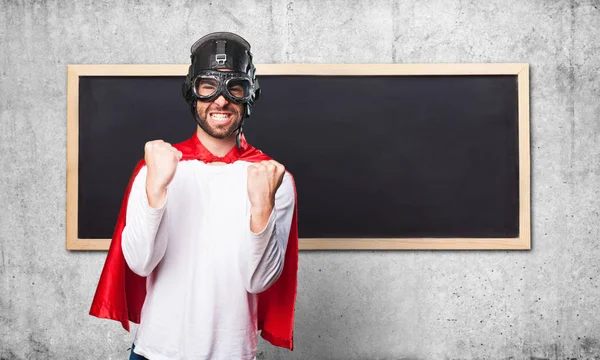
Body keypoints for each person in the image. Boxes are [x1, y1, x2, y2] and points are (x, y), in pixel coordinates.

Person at [89, 32, 299, 360]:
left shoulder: (274, 179)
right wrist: (155, 189)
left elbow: (258, 280)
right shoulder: (155, 169)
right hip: (154, 353)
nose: (220, 99)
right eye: (208, 86)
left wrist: (261, 208)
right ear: (192, 92)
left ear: (249, 95)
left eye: (235, 87)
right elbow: (141, 262)